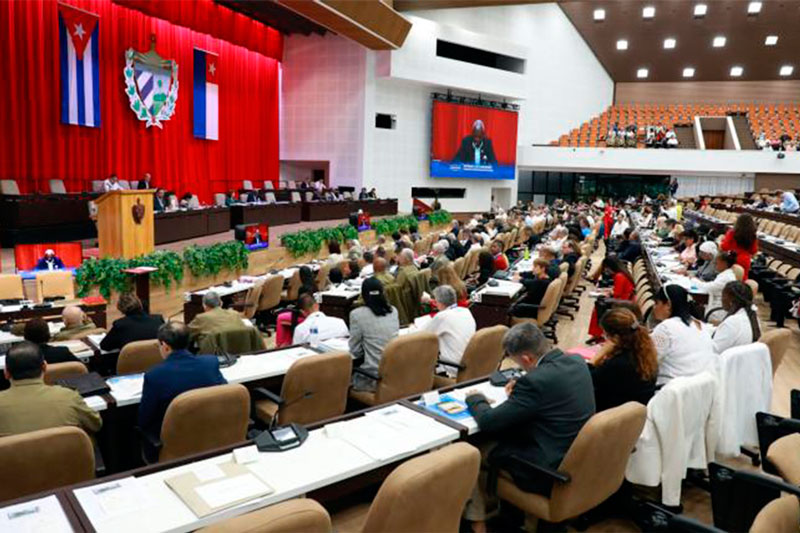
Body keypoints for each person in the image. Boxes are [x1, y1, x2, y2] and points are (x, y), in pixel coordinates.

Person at [463, 323, 595, 529]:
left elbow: (489, 422)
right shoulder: (576, 362)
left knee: (470, 452)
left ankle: (479, 523)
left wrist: (475, 399)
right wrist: (522, 392)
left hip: (544, 468)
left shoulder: (535, 382)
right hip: (574, 457)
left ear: (526, 359)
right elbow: (551, 393)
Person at [138, 322, 226, 462]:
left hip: (175, 445)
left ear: (165, 346)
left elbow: (144, 420)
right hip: (212, 436)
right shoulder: (210, 363)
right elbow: (223, 393)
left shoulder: (154, 376)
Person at [0, 341, 102, 437]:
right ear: (45, 367)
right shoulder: (69, 396)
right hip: (67, 455)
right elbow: (96, 424)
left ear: (6, 373)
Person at [589, 308, 657, 411]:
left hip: (607, 416)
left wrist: (597, 357)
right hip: (635, 418)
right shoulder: (646, 353)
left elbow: (586, 380)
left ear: (615, 338)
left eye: (605, 335)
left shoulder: (618, 364)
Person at [651, 285, 714, 385]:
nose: (654, 308)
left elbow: (648, 363)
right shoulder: (700, 325)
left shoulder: (665, 328)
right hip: (700, 389)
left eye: (656, 303)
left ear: (668, 304)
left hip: (671, 391)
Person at [349, 278, 399, 391]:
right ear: (383, 293)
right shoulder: (393, 311)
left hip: (373, 378)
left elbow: (355, 351)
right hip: (395, 373)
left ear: (363, 295)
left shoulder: (356, 315)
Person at [423, 285, 476, 378]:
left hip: (453, 369)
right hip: (470, 363)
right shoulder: (466, 311)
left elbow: (422, 335)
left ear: (438, 302)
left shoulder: (442, 316)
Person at [587, 257, 635, 341]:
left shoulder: (619, 276)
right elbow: (617, 290)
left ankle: (597, 334)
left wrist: (604, 293)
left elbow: (617, 294)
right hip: (626, 300)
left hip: (622, 303)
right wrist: (604, 290)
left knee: (597, 308)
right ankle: (598, 334)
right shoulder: (622, 273)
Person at [100, 293, 165, 352]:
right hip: (158, 362)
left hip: (130, 364)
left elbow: (104, 346)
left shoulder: (120, 325)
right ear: (140, 304)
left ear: (121, 309)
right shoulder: (158, 320)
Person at [712, 281, 761, 354]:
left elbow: (713, 351)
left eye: (723, 296)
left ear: (731, 299)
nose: (721, 299)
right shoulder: (753, 317)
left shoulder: (732, 323)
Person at [692, 251, 738, 322]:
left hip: (718, 311)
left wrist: (693, 280)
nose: (714, 265)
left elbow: (707, 288)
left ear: (724, 264)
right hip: (714, 305)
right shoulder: (724, 275)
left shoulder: (726, 278)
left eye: (716, 263)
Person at [720, 214, 758, 280]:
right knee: (742, 280)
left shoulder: (732, 232)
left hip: (732, 258)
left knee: (729, 279)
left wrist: (721, 241)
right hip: (745, 259)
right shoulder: (753, 235)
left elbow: (724, 247)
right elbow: (753, 251)